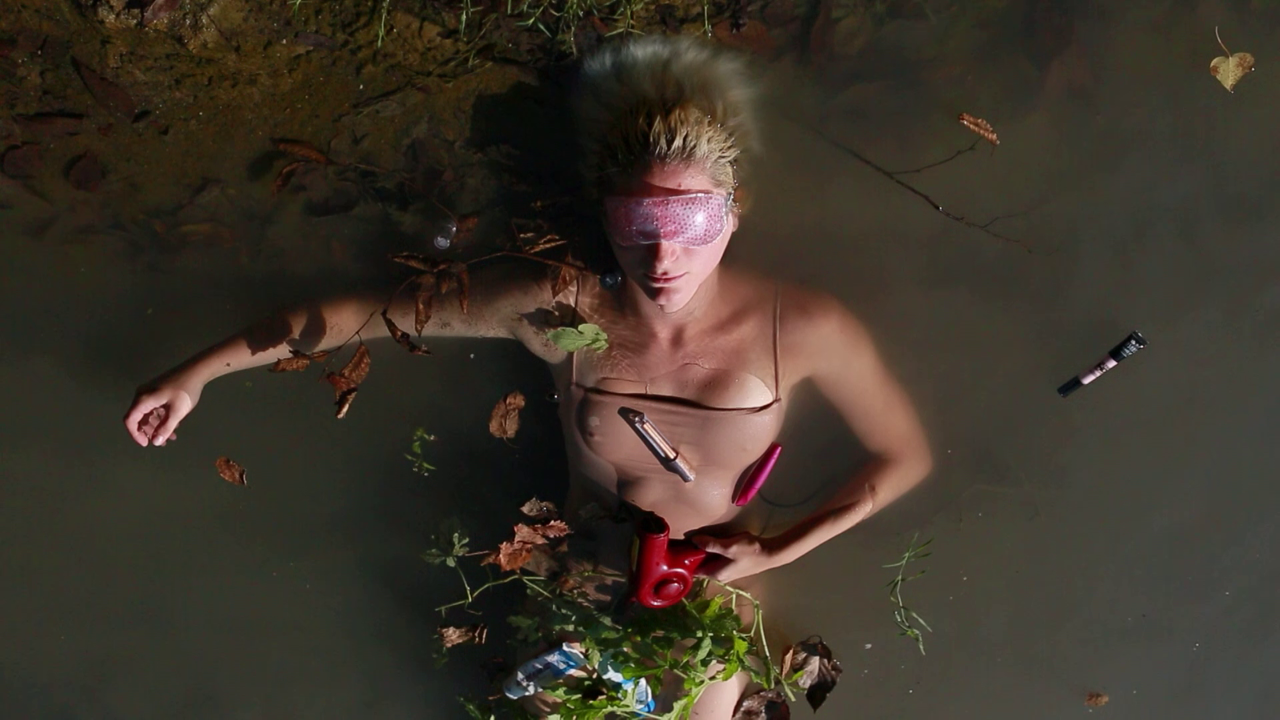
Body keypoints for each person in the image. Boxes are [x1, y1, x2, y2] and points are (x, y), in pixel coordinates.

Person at [124, 35, 932, 718]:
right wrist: (196, 375)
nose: (663, 257)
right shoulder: (556, 309)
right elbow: (363, 314)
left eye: (691, 222)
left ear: (734, 211)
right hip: (577, 567)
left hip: (713, 584)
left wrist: (780, 551)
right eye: (636, 225)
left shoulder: (801, 326)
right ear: (605, 215)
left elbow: (904, 456)